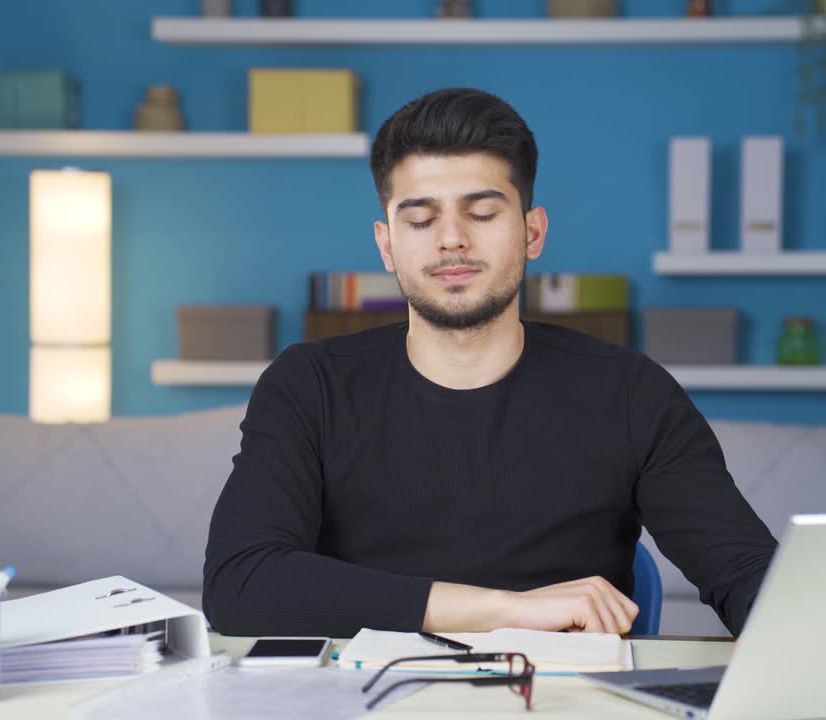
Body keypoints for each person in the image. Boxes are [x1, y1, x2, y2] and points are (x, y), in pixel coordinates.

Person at [203, 87, 776, 638]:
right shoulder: (309, 385)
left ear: (532, 232)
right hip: (361, 690)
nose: (451, 239)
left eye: (481, 213)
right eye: (420, 220)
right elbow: (241, 582)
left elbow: (746, 573)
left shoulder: (631, 393)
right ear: (387, 245)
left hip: (562, 693)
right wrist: (505, 610)